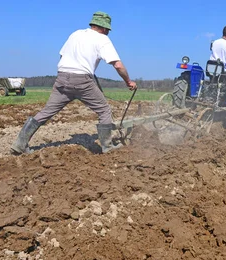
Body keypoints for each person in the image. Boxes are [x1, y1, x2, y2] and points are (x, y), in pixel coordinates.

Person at [10, 11, 137, 155]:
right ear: (103, 28)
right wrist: (128, 81)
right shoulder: (102, 39)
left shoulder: (75, 34)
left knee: (47, 111)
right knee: (104, 110)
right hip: (82, 81)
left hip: (62, 78)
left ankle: (20, 144)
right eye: (108, 29)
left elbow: (62, 55)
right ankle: (107, 147)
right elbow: (118, 65)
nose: (108, 32)